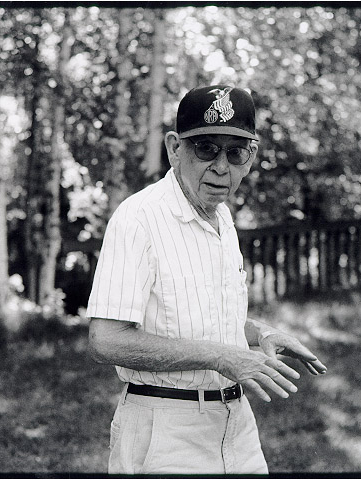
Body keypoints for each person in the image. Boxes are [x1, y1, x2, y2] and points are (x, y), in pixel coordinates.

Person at [86, 85, 327, 475]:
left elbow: (196, 317)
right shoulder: (138, 219)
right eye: (206, 149)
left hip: (237, 423)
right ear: (174, 148)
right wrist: (222, 357)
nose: (221, 167)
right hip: (165, 429)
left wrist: (260, 333)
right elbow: (106, 339)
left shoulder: (222, 218)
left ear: (251, 156)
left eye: (236, 152)